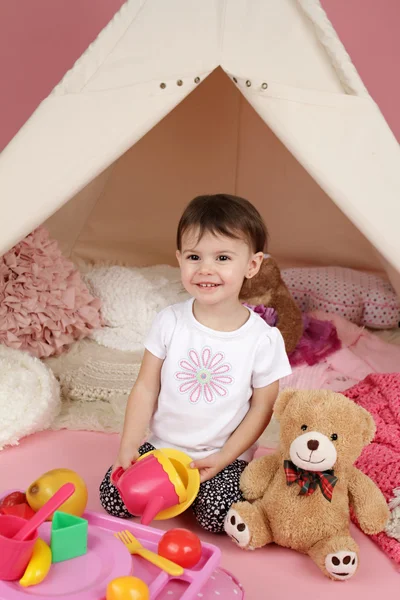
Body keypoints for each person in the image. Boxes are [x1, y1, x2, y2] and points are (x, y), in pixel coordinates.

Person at [99, 194, 292, 533]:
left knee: (215, 517)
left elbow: (263, 408)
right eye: (193, 256)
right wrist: (129, 445)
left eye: (222, 258)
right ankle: (168, 490)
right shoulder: (169, 321)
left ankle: (228, 489)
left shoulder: (262, 339)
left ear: (252, 265)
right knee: (114, 498)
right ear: (179, 259)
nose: (205, 269)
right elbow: (146, 387)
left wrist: (227, 456)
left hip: (220, 456)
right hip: (163, 450)